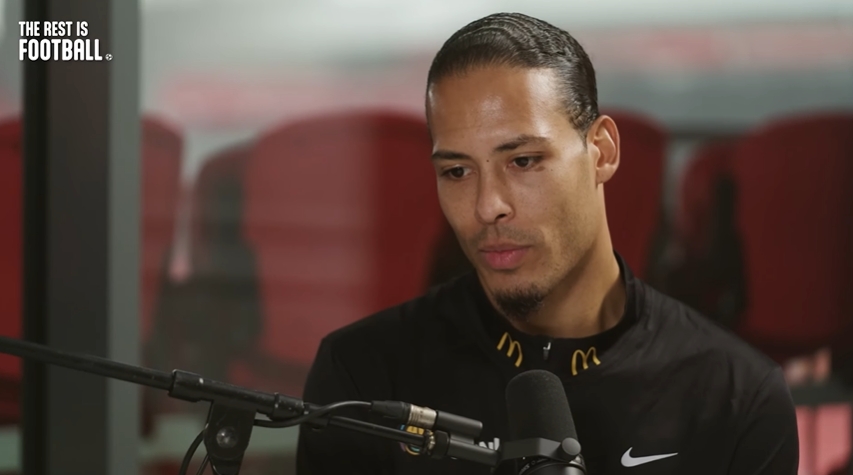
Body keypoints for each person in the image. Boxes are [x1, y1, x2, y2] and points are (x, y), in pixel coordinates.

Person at [296, 12, 799, 475]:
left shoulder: (737, 396)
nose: (487, 206)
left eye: (523, 161)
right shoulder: (362, 376)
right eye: (457, 171)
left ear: (601, 151)